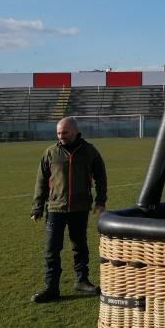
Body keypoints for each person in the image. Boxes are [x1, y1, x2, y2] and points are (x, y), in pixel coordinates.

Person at [30, 116, 107, 303]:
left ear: (74, 131)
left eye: (64, 133)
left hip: (80, 209)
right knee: (51, 250)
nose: (60, 136)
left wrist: (100, 200)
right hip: (55, 209)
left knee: (79, 247)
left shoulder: (89, 151)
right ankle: (51, 287)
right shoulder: (50, 153)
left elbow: (101, 176)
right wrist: (37, 207)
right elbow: (41, 182)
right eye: (58, 133)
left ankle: (81, 281)